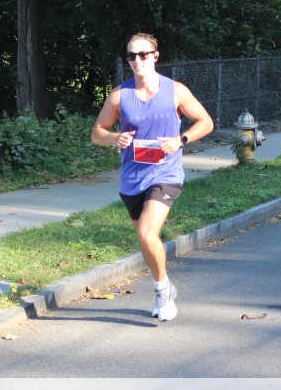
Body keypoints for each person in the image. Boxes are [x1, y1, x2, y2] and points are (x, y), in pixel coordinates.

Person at [91, 33, 214, 321]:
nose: (137, 60)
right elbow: (97, 133)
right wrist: (114, 138)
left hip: (165, 174)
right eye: (131, 55)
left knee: (148, 233)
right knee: (146, 240)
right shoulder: (119, 95)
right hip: (132, 178)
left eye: (143, 54)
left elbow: (206, 122)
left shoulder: (175, 91)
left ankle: (161, 291)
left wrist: (180, 139)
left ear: (155, 56)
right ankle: (165, 284)